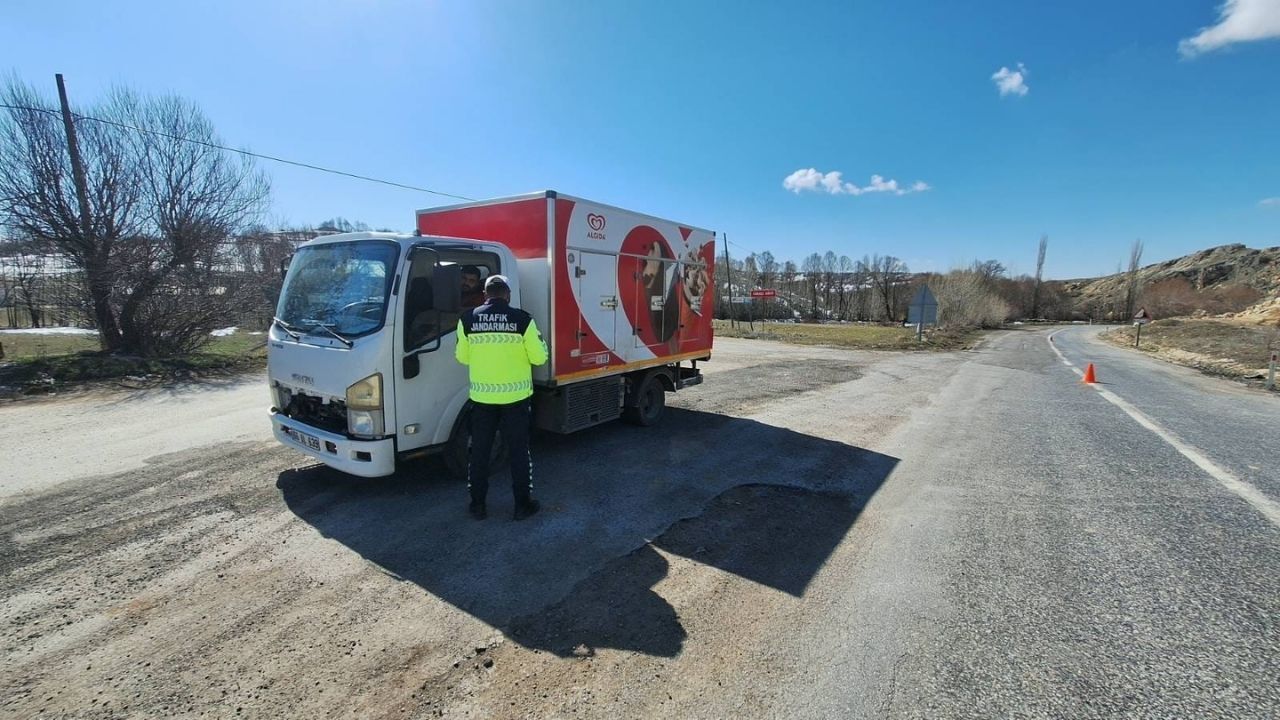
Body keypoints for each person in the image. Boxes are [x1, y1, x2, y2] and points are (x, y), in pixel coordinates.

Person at [454, 274, 549, 520]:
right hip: (516, 399)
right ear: (507, 294)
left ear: (485, 295)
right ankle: (522, 506)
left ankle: (477, 506)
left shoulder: (467, 319)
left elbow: (462, 358)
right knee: (519, 452)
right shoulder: (522, 319)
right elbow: (539, 358)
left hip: (482, 399)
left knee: (480, 452)